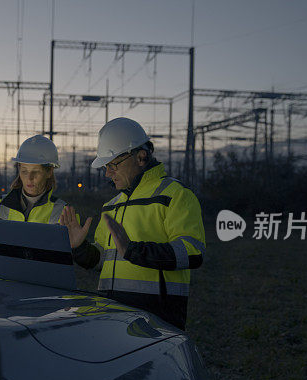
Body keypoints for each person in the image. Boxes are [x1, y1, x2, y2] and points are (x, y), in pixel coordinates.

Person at [60, 117, 206, 330]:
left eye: (113, 165)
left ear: (141, 157)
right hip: (111, 316)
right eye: (106, 167)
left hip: (157, 322)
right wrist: (80, 249)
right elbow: (102, 261)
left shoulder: (175, 195)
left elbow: (193, 252)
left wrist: (135, 250)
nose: (108, 174)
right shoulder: (111, 206)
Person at [0, 135, 70, 276]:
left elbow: (62, 265)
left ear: (49, 172)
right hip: (1, 292)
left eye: (36, 171)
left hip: (40, 293)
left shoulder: (63, 212)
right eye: (24, 171)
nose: (29, 178)